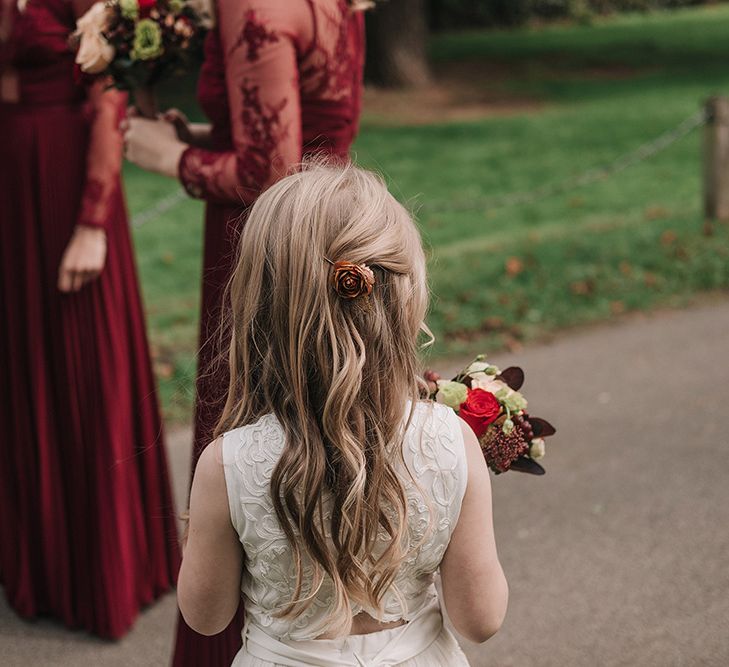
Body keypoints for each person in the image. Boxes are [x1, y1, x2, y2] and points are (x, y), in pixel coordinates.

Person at [177, 162, 509, 666]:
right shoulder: (451, 440)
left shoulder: (228, 464)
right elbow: (480, 620)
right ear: (407, 299)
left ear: (259, 308)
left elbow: (205, 617)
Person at [123, 0, 365, 660]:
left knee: (249, 448)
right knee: (308, 440)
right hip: (331, 233)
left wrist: (168, 158)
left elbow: (270, 174)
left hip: (263, 255)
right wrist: (204, 136)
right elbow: (303, 130)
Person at [0, 0, 180, 639]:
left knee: (82, 368)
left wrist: (92, 221)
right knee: (19, 368)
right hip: (10, 178)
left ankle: (106, 573)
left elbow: (109, 93)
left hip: (66, 177)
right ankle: (39, 563)